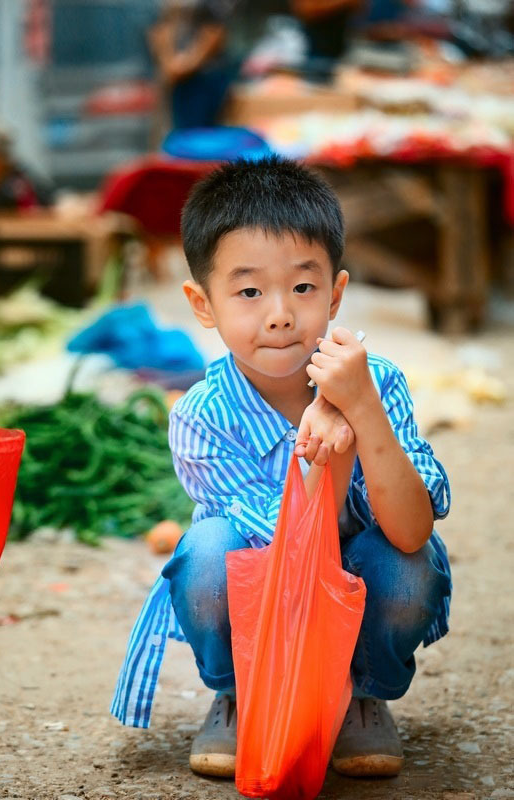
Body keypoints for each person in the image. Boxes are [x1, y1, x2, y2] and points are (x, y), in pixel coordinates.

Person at [111, 156, 452, 780]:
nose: (279, 314)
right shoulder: (201, 415)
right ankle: (239, 690)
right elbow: (290, 549)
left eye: (303, 287)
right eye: (248, 291)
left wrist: (359, 416)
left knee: (408, 566)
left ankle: (362, 692)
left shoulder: (377, 383)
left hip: (365, 573)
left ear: (337, 294)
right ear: (202, 304)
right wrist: (329, 457)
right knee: (207, 552)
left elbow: (410, 530)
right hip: (264, 581)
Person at [147, 0, 237, 140]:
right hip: (177, 81)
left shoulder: (209, 5)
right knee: (181, 136)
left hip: (206, 78)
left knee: (205, 137)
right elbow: (158, 30)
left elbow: (214, 31)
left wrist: (187, 65)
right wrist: (169, 63)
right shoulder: (163, 6)